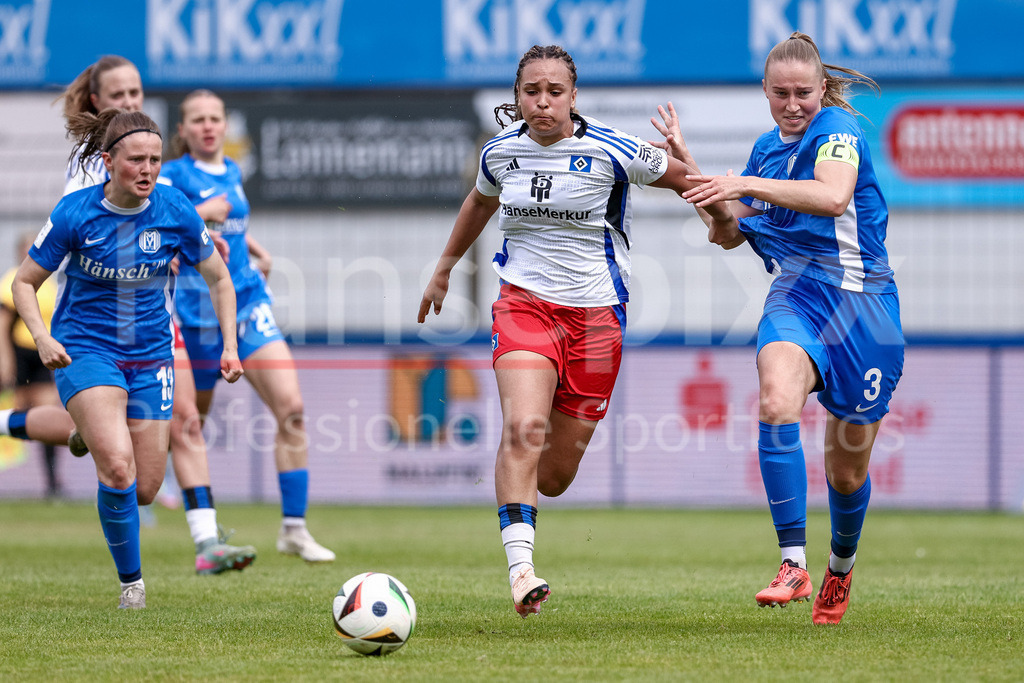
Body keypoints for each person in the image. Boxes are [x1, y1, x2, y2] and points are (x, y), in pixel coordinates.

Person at [417, 45, 736, 618]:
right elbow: (478, 202)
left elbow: (688, 179)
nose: (542, 103)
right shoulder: (499, 154)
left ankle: (516, 493)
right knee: (523, 429)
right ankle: (521, 572)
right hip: (523, 307)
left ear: (573, 96)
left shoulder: (613, 150)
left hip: (595, 322)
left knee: (557, 475)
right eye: (530, 92)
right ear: (515, 97)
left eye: (554, 92)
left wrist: (721, 221)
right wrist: (444, 268)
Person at [653, 32, 904, 624]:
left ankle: (839, 570)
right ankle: (793, 562)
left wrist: (742, 184)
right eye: (780, 93)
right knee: (775, 401)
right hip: (798, 295)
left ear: (822, 90)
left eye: (803, 93)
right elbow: (728, 230)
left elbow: (834, 196)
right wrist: (691, 173)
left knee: (846, 471)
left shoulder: (837, 132)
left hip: (864, 307)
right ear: (764, 91)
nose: (793, 104)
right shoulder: (766, 149)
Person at [12, 108, 244, 609]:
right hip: (85, 348)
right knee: (117, 470)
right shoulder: (76, 212)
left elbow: (220, 278)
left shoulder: (175, 209)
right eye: (136, 159)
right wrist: (41, 336)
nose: (148, 170)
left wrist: (229, 345)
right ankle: (132, 587)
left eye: (155, 160)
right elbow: (24, 281)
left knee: (143, 487)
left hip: (152, 356)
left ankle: (88, 432)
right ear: (108, 160)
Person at [58, 55, 257, 575]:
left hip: (153, 316)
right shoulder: (87, 169)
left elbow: (176, 225)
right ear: (98, 102)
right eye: (118, 95)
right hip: (98, 321)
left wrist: (219, 237)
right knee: (177, 426)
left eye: (136, 93)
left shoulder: (152, 160)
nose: (129, 102)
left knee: (170, 443)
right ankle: (205, 542)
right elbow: (82, 237)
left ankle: (97, 427)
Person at [159, 89, 335, 563]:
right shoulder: (170, 175)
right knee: (188, 423)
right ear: (182, 131)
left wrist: (256, 249)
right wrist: (202, 214)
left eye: (215, 118)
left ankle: (294, 529)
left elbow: (231, 221)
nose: (208, 126)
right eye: (197, 120)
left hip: (246, 302)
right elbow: (156, 230)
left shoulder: (232, 171)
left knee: (293, 409)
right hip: (193, 315)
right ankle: (188, 508)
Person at [0, 233, 82, 496]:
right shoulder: (13, 279)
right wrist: (5, 361)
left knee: (47, 410)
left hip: (42, 356)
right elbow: (2, 326)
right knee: (13, 414)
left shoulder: (52, 284)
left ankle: (52, 483)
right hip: (18, 353)